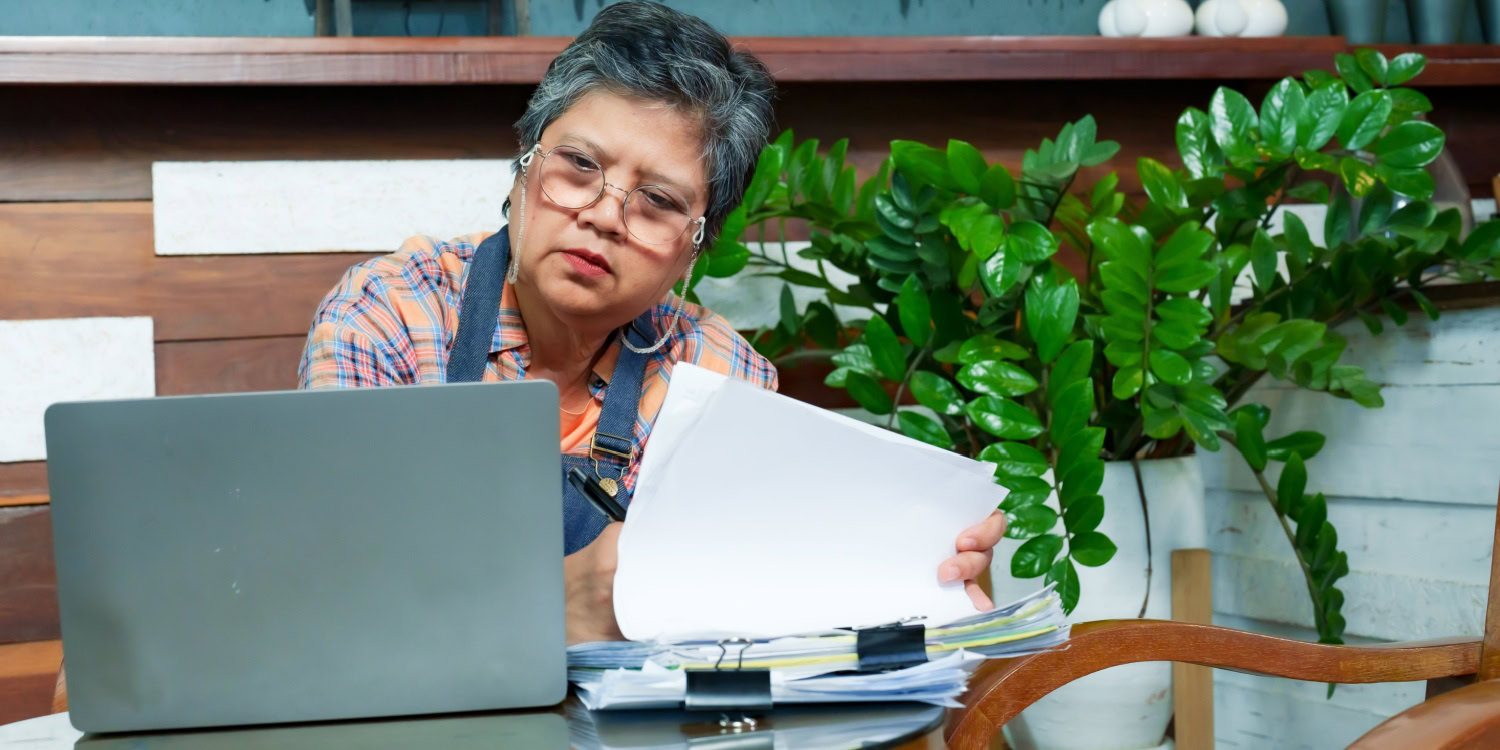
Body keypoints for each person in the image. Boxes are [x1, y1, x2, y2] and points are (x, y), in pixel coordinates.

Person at [298, 1, 1006, 645]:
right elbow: (337, 592)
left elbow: (750, 619)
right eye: (578, 165)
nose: (604, 214)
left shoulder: (717, 373)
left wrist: (931, 577)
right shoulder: (389, 314)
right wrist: (570, 606)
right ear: (522, 162)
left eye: (658, 201)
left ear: (695, 249)